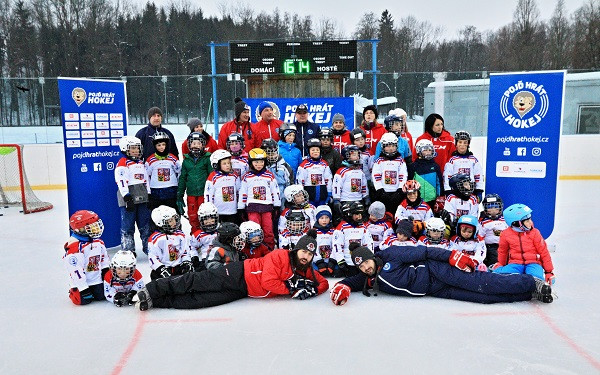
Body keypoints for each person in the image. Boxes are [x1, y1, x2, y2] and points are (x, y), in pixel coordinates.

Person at [133, 231, 329, 310]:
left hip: (244, 290)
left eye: (310, 255)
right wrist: (292, 289)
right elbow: (268, 282)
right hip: (238, 272)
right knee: (196, 281)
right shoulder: (280, 255)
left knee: (202, 301)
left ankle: (158, 302)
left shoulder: (304, 269)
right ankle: (152, 290)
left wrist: (311, 290)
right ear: (296, 250)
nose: (306, 257)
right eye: (303, 251)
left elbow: (324, 283)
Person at [328, 243, 554, 306]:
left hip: (439, 272)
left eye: (366, 262)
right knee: (482, 297)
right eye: (361, 267)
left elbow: (424, 251)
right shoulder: (369, 277)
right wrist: (343, 287)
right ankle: (528, 294)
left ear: (371, 256)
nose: (366, 268)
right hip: (434, 290)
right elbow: (350, 281)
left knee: (484, 283)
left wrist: (451, 257)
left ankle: (531, 282)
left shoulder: (390, 254)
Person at [492, 204, 555, 287]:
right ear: (517, 223)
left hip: (533, 263)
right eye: (527, 221)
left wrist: (549, 272)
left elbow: (544, 252)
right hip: (515, 263)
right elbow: (503, 251)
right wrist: (501, 264)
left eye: (530, 219)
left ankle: (538, 286)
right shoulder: (505, 234)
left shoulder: (535, 233)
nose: (531, 222)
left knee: (536, 276)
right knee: (499, 274)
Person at [63, 210, 109, 305]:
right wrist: (83, 288)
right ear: (80, 229)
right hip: (81, 283)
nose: (96, 228)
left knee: (103, 296)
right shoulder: (74, 248)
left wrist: (106, 272)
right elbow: (76, 271)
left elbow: (104, 259)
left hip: (96, 279)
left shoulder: (98, 242)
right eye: (92, 227)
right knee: (82, 301)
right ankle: (73, 291)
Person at [238, 148, 281, 249]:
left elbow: (275, 191)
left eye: (261, 162)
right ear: (251, 163)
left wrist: (277, 206)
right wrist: (241, 208)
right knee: (254, 230)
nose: (259, 164)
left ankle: (269, 249)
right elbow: (243, 193)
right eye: (256, 162)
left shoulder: (269, 176)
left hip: (267, 207)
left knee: (268, 230)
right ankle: (256, 249)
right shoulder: (247, 177)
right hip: (252, 208)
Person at [115, 135, 151, 255]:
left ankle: (149, 247)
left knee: (145, 224)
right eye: (133, 148)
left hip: (142, 197)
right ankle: (128, 250)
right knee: (128, 226)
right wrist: (126, 196)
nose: (136, 151)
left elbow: (146, 180)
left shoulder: (141, 163)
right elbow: (121, 180)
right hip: (129, 198)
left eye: (137, 148)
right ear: (125, 149)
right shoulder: (123, 163)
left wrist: (149, 194)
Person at [176, 132, 213, 233]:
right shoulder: (186, 160)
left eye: (198, 143)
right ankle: (195, 234)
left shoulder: (207, 158)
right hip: (191, 194)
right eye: (193, 143)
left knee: (204, 215)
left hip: (203, 194)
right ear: (189, 145)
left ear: (203, 145)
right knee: (193, 215)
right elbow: (183, 178)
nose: (196, 146)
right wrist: (179, 195)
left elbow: (212, 176)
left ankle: (205, 234)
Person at [148, 205, 192, 280]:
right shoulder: (155, 239)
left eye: (174, 219)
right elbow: (153, 258)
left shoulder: (180, 235)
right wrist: (160, 269)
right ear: (160, 223)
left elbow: (185, 251)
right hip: (163, 270)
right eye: (170, 221)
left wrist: (186, 261)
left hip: (178, 268)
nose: (174, 222)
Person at [333, 201, 374, 277]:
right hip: (347, 263)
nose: (359, 217)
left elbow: (369, 243)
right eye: (356, 214)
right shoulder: (341, 228)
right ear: (349, 214)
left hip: (361, 263)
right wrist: (340, 261)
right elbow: (337, 245)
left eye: (360, 214)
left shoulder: (363, 227)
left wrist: (370, 258)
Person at [371, 132, 409, 213]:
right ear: (383, 147)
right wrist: (380, 190)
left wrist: (400, 190)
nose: (391, 148)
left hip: (397, 192)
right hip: (383, 193)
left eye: (393, 146)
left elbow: (403, 176)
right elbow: (376, 176)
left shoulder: (400, 161)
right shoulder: (379, 161)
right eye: (388, 146)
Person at [443, 131, 484, 202]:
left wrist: (479, 191)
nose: (462, 145)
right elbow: (447, 177)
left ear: (468, 144)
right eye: (460, 142)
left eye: (465, 142)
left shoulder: (473, 160)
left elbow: (478, 176)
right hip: (456, 193)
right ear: (456, 144)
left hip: (470, 192)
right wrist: (448, 191)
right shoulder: (452, 160)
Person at [145, 131, 181, 211]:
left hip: (171, 191)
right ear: (155, 146)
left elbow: (179, 172)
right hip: (156, 192)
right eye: (159, 145)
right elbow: (147, 176)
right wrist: (149, 192)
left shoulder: (173, 158)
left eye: (163, 145)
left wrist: (178, 188)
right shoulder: (150, 160)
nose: (161, 147)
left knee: (173, 214)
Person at [332, 145, 370, 218]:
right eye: (354, 154)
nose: (357, 157)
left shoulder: (360, 172)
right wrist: (336, 200)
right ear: (346, 156)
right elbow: (336, 187)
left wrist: (366, 197)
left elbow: (364, 186)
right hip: (346, 200)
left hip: (358, 200)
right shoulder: (341, 171)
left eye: (358, 154)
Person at [204, 149, 240, 225]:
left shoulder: (234, 176)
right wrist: (209, 208)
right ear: (216, 164)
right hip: (219, 211)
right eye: (224, 163)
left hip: (232, 211)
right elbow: (208, 194)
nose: (227, 165)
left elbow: (238, 191)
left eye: (228, 163)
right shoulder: (213, 177)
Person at [408, 139, 444, 211]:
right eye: (425, 150)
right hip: (417, 199)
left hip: (432, 200)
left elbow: (439, 183)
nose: (428, 152)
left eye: (429, 150)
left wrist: (439, 197)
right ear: (419, 151)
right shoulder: (413, 166)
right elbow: (409, 184)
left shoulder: (435, 166)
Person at [296, 138, 333, 207]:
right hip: (309, 195)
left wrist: (329, 192)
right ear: (308, 151)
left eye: (317, 150)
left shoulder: (324, 164)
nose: (315, 152)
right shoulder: (304, 165)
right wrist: (301, 195)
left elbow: (328, 179)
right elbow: (300, 181)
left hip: (322, 194)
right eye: (313, 150)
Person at [261, 138, 292, 208]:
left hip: (281, 195)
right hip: (266, 195)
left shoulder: (284, 165)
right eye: (268, 154)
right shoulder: (260, 166)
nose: (272, 156)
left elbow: (290, 182)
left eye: (273, 153)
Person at [189, 202, 220, 271]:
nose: (209, 221)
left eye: (211, 218)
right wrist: (194, 257)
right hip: (206, 260)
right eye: (205, 219)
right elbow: (191, 247)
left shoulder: (221, 230)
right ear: (201, 219)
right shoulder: (198, 235)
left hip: (221, 258)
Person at [478, 194, 508, 266]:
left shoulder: (505, 220)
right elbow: (480, 236)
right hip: (491, 247)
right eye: (489, 207)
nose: (493, 210)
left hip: (504, 246)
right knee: (494, 261)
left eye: (496, 207)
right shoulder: (483, 222)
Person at [312, 205, 337, 277]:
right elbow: (313, 248)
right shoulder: (314, 231)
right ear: (317, 219)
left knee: (338, 272)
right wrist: (319, 262)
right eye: (321, 218)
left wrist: (332, 261)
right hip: (317, 261)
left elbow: (336, 246)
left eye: (327, 217)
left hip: (331, 260)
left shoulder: (334, 231)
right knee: (315, 273)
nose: (324, 220)